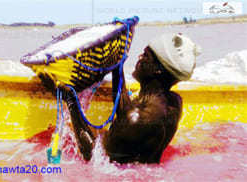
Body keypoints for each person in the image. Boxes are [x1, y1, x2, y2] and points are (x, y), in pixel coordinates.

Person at [60, 33, 200, 163]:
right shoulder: (174, 102)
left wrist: (71, 100)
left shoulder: (136, 119)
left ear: (158, 69)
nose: (139, 57)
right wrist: (117, 66)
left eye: (145, 55)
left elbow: (93, 157)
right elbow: (127, 114)